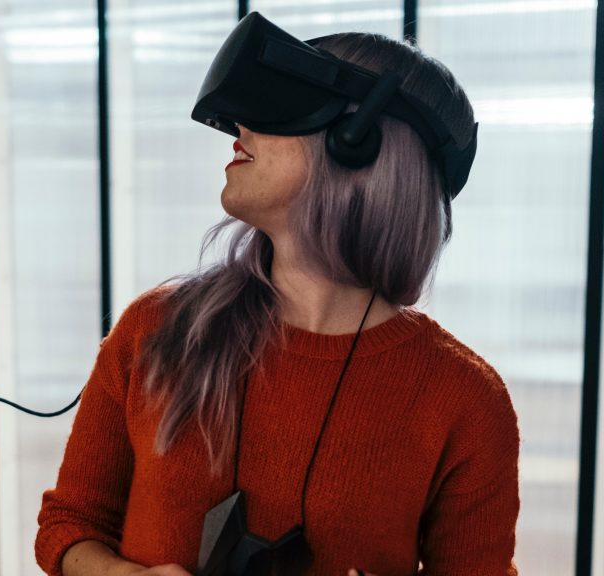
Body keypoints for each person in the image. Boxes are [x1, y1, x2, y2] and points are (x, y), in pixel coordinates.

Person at [36, 13, 519, 576]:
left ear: (355, 143)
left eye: (278, 105)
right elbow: (69, 522)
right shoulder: (157, 329)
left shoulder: (464, 400)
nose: (240, 125)